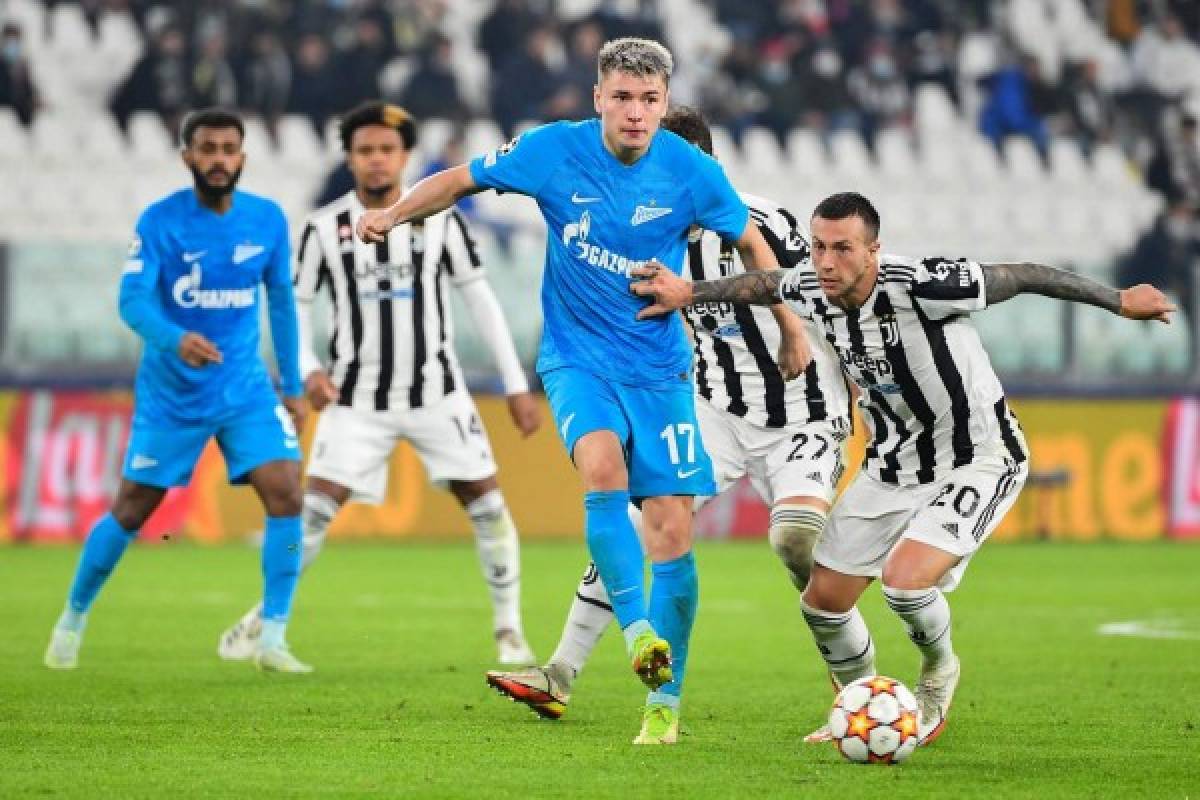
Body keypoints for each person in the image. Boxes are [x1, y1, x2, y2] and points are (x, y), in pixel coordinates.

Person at [357, 38, 811, 745]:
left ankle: (664, 706)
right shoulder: (552, 151)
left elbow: (754, 246)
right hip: (576, 359)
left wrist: (789, 328)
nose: (635, 113)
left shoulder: (691, 171)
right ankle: (635, 634)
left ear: (665, 104)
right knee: (602, 469)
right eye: (623, 98)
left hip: (659, 371)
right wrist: (392, 215)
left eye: (649, 101)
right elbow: (457, 180)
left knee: (672, 529)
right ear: (599, 96)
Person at [629, 191, 1175, 744]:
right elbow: (764, 285)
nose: (825, 261)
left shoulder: (923, 285)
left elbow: (1026, 274)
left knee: (905, 584)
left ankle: (938, 672)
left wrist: (1118, 300)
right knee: (822, 602)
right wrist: (689, 292)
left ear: (873, 251)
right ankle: (861, 708)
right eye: (817, 246)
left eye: (842, 249)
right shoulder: (813, 288)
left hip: (977, 457)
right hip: (891, 464)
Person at [484, 105, 852, 721]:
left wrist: (823, 354)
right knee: (633, 531)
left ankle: (850, 674)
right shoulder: (632, 225)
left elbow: (821, 294)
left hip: (803, 414)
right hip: (716, 410)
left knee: (794, 543)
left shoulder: (763, 224)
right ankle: (560, 673)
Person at [216, 101, 542, 666]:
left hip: (436, 394)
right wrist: (306, 369)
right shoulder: (322, 229)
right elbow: (291, 306)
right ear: (350, 157)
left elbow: (480, 300)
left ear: (404, 156)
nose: (375, 160)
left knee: (488, 507)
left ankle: (510, 630)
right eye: (364, 150)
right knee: (312, 514)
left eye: (386, 150)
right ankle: (265, 623)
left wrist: (515, 383)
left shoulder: (440, 219)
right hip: (355, 399)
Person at [43, 108, 311, 674]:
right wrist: (175, 338)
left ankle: (273, 638)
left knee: (286, 491)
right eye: (208, 149)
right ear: (188, 156)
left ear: (243, 156)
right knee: (132, 509)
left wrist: (291, 385)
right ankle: (73, 616)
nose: (219, 160)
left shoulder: (266, 220)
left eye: (229, 149)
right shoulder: (160, 222)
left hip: (244, 388)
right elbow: (132, 301)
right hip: (174, 394)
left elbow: (282, 302)